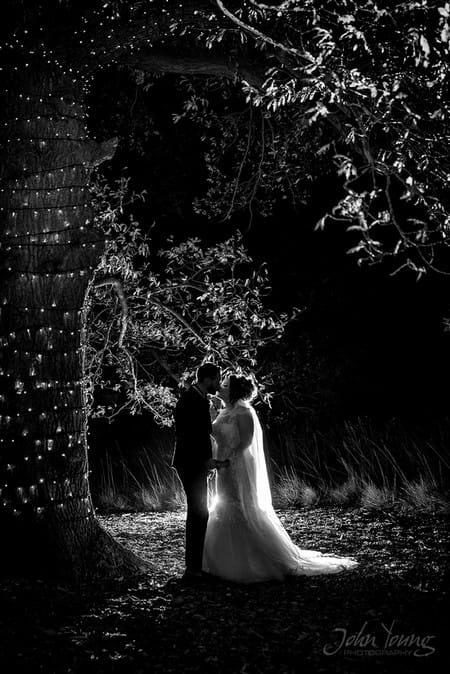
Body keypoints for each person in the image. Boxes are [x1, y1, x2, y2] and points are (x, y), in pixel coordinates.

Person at [202, 374, 359, 583]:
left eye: (225, 385)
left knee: (238, 506)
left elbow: (246, 443)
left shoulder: (244, 412)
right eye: (221, 384)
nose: (220, 387)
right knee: (223, 505)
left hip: (235, 467)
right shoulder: (223, 412)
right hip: (222, 467)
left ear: (235, 391)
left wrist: (226, 461)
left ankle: (252, 560)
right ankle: (219, 559)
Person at [171, 363, 229, 579]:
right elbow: (191, 435)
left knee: (198, 513)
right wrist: (206, 461)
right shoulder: (191, 400)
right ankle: (193, 569)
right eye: (217, 379)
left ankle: (194, 566)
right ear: (207, 379)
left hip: (192, 463)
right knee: (198, 513)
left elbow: (199, 433)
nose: (218, 383)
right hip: (190, 463)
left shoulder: (197, 398)